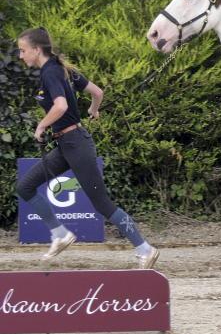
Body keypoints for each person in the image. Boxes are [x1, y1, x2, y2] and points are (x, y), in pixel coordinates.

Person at [14, 27, 159, 269]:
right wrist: (93, 108)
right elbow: (97, 92)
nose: (20, 55)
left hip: (76, 144)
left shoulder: (51, 72)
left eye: (23, 50)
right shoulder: (61, 69)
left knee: (102, 204)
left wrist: (41, 125)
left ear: (37, 50)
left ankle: (145, 249)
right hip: (66, 145)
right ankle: (60, 234)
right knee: (25, 186)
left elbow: (60, 106)